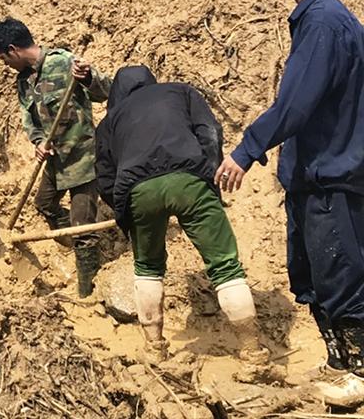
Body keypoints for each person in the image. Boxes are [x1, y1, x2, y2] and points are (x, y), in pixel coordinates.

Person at [215, 0, 364, 405]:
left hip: (332, 177)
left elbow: (295, 104)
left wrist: (246, 150)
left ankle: (359, 374)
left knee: (341, 276)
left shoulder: (324, 22)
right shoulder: (315, 20)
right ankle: (340, 364)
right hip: (314, 176)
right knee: (314, 277)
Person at [95, 65, 269, 365]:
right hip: (190, 179)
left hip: (138, 189)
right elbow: (210, 132)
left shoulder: (110, 120)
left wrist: (124, 209)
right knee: (225, 267)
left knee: (148, 268)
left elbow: (105, 175)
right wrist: (208, 175)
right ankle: (252, 352)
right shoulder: (181, 91)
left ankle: (155, 349)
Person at [0, 17, 111, 298]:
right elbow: (29, 120)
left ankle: (88, 293)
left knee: (84, 229)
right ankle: (72, 250)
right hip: (55, 161)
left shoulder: (64, 61)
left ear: (13, 49)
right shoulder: (24, 82)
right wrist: (39, 141)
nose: (5, 65)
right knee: (44, 204)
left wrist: (88, 77)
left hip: (82, 158)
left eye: (4, 59)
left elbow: (106, 90)